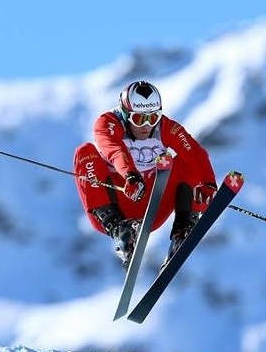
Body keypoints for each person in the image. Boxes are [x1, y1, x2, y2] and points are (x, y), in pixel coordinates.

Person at [72, 80, 219, 269]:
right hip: (118, 202)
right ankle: (121, 231)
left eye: (153, 117)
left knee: (183, 163)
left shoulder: (165, 127)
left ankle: (182, 233)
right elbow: (115, 151)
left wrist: (208, 183)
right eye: (139, 119)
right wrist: (130, 175)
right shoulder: (107, 123)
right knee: (84, 153)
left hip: (151, 204)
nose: (147, 125)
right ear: (125, 114)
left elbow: (196, 154)